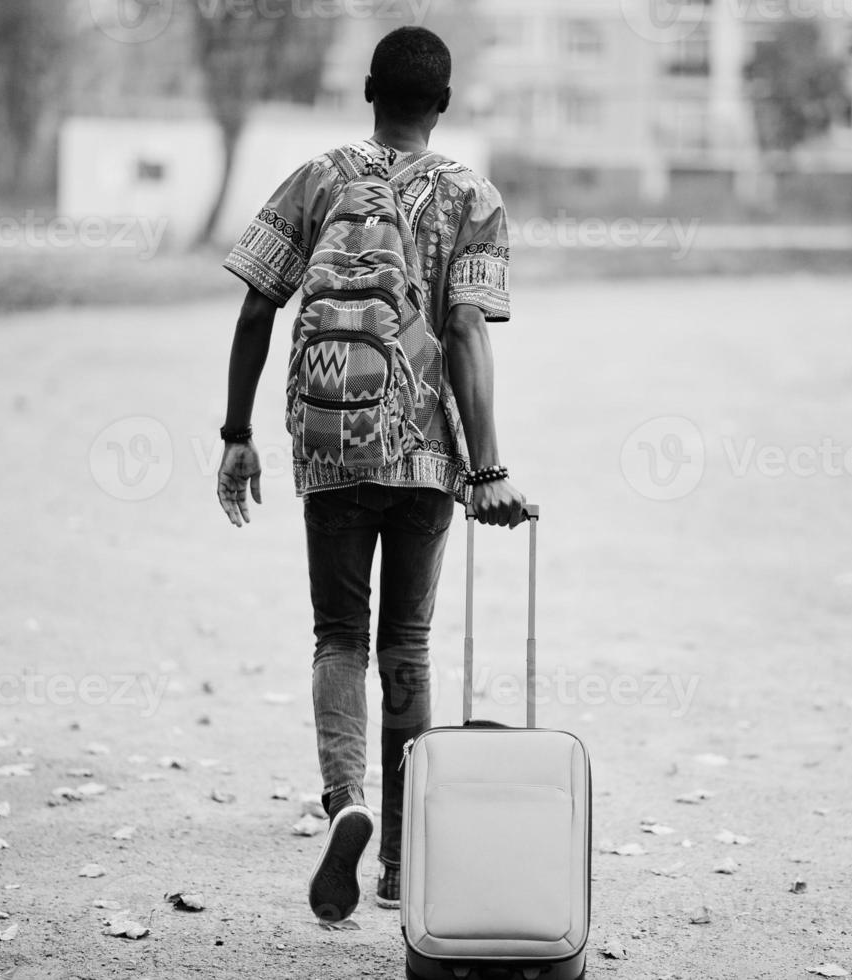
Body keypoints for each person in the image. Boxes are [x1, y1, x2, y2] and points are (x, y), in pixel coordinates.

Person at [215, 26, 528, 922]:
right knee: (408, 647)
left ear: (366, 90)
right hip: (426, 454)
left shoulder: (317, 179)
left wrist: (237, 434)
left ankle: (344, 797)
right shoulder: (473, 196)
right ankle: (398, 857)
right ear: (444, 103)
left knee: (337, 638)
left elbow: (255, 305)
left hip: (330, 445)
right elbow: (466, 330)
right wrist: (490, 466)